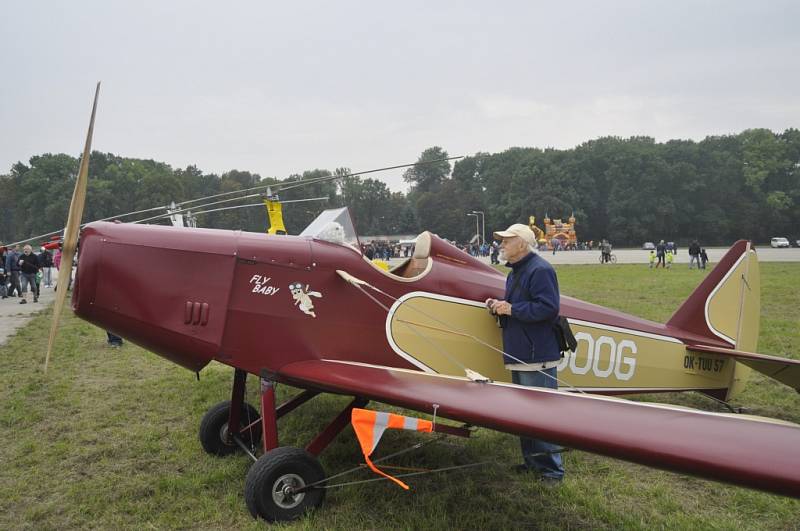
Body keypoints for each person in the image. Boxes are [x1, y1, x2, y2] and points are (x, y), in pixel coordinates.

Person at [485, 223, 564, 484]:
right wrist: (499, 306)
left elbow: (548, 308)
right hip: (520, 353)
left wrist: (512, 309)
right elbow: (520, 304)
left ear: (522, 243)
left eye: (507, 241)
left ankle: (551, 471)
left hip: (537, 354)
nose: (502, 245)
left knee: (541, 415)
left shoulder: (540, 269)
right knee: (525, 414)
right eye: (502, 241)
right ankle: (532, 464)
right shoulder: (516, 272)